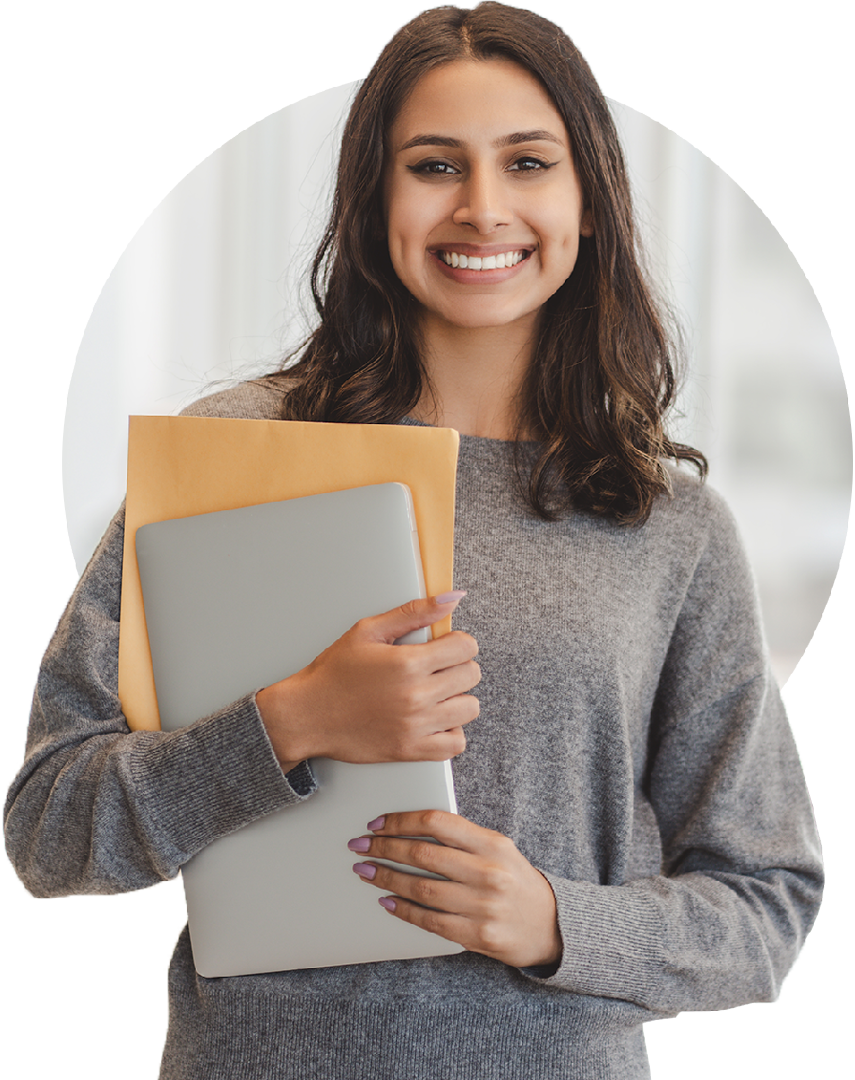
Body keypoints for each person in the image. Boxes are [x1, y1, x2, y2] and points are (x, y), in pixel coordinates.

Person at [3, 3, 822, 1078]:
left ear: (588, 201)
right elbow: (51, 827)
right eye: (435, 165)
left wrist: (551, 921)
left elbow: (766, 902)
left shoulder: (666, 524)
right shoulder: (235, 455)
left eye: (528, 162)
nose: (484, 209)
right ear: (374, 198)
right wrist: (290, 723)